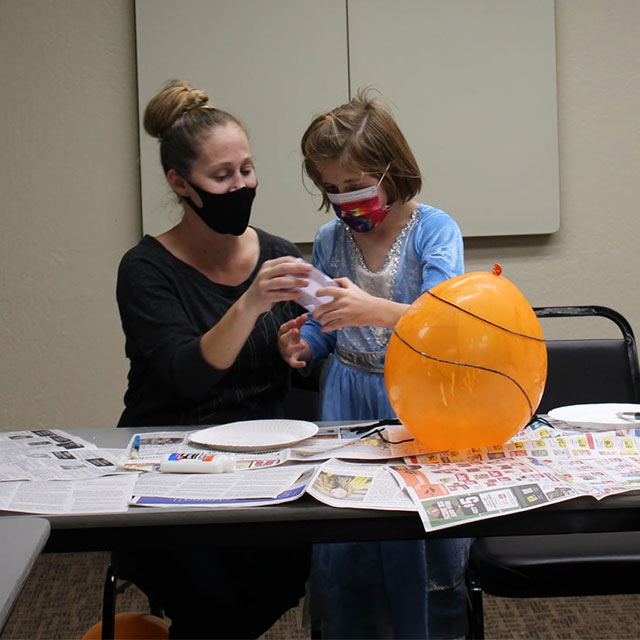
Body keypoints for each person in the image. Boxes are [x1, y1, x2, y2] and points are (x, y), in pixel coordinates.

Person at [114, 79, 311, 639]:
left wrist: (300, 349)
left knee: (284, 573)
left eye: (246, 170)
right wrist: (250, 304)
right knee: (212, 602)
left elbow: (314, 360)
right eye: (221, 176)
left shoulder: (277, 254)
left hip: (264, 464)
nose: (241, 186)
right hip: (171, 465)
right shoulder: (146, 269)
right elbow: (188, 375)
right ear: (181, 184)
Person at [278, 88, 470, 639]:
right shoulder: (329, 238)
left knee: (416, 536)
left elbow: (444, 320)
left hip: (416, 401)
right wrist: (305, 344)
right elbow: (322, 320)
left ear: (394, 169)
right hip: (346, 400)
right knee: (349, 542)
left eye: (358, 185)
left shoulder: (434, 231)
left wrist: (375, 308)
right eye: (332, 189)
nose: (346, 200)